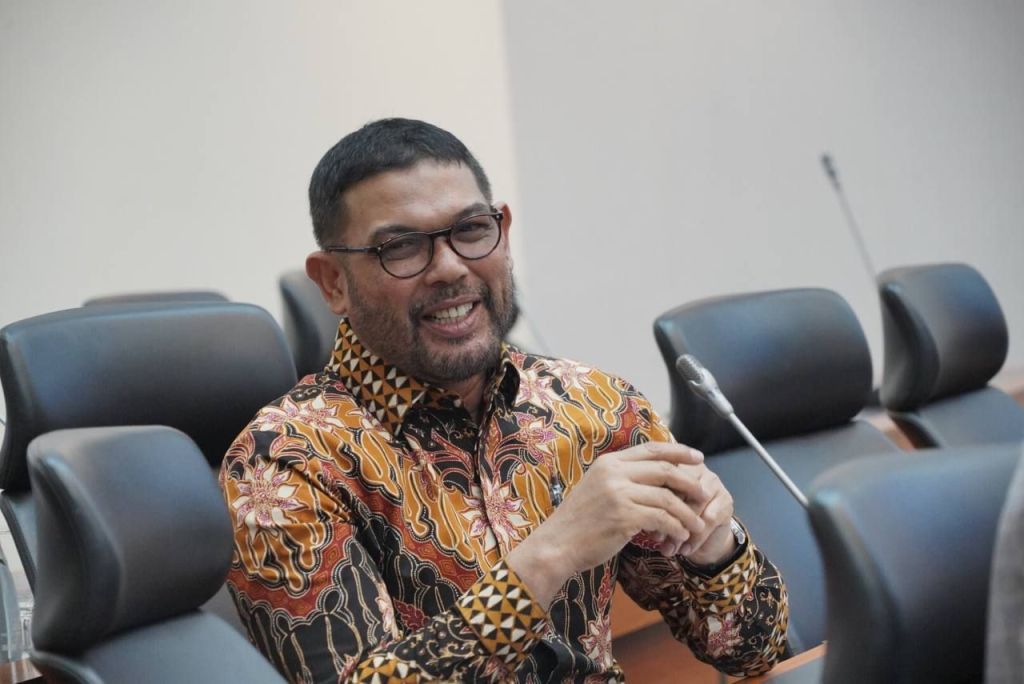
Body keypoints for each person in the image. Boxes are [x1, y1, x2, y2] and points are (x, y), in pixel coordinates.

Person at [220, 118, 789, 683]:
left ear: (503, 233)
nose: (450, 266)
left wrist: (717, 547)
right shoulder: (282, 463)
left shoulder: (595, 406)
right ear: (332, 282)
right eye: (401, 247)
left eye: (471, 229)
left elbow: (753, 653)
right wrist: (551, 555)